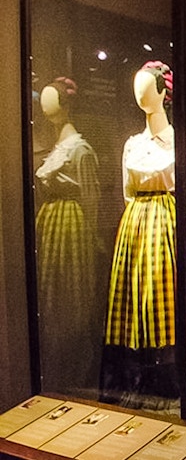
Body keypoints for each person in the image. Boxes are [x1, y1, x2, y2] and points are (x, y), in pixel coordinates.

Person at [100, 61, 186, 407]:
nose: (140, 93)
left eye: (147, 86)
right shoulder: (132, 145)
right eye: (137, 87)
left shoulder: (183, 144)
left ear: (163, 93)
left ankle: (173, 379)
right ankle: (136, 376)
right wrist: (136, 222)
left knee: (170, 301)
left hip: (170, 226)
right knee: (134, 300)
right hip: (136, 227)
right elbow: (128, 193)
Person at [36, 77, 101, 390]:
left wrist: (92, 237)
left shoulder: (80, 151)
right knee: (52, 291)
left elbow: (91, 199)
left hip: (72, 227)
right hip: (53, 226)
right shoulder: (58, 148)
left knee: (72, 292)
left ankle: (78, 369)